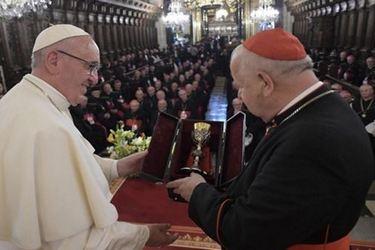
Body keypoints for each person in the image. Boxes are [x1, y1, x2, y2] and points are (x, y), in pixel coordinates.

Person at [167, 28, 374, 249]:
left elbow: (245, 232)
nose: (240, 96)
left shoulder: (313, 141)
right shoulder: (325, 106)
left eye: (242, 86)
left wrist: (197, 191)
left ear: (266, 83)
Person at [0, 24, 177, 250]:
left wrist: (119, 167)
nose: (95, 78)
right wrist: (143, 235)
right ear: (54, 61)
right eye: (90, 66)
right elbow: (75, 242)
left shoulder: (29, 101)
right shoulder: (45, 126)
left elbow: (70, 162)